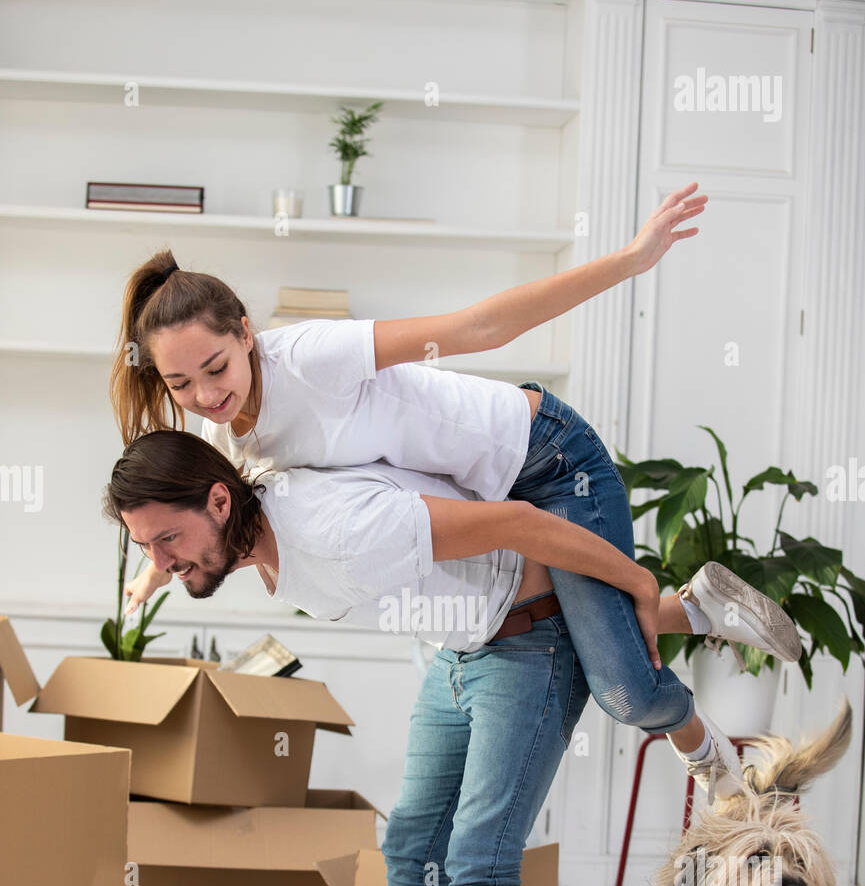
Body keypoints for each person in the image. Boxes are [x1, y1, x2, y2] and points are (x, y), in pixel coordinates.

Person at [103, 432, 795, 886]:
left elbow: (521, 527)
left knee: (481, 862)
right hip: (458, 653)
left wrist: (636, 587)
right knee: (410, 850)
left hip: (530, 646)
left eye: (167, 541)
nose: (163, 561)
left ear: (217, 501)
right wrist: (155, 569)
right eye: (148, 548)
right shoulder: (251, 511)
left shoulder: (331, 523)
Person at [109, 180, 802, 801]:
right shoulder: (237, 439)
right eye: (179, 386)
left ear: (247, 334)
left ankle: (715, 763)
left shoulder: (311, 360)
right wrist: (155, 565)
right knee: (592, 637)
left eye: (216, 367)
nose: (205, 396)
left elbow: (478, 327)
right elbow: (210, 503)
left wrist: (630, 259)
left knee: (622, 689)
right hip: (492, 510)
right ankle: (701, 606)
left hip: (545, 459)